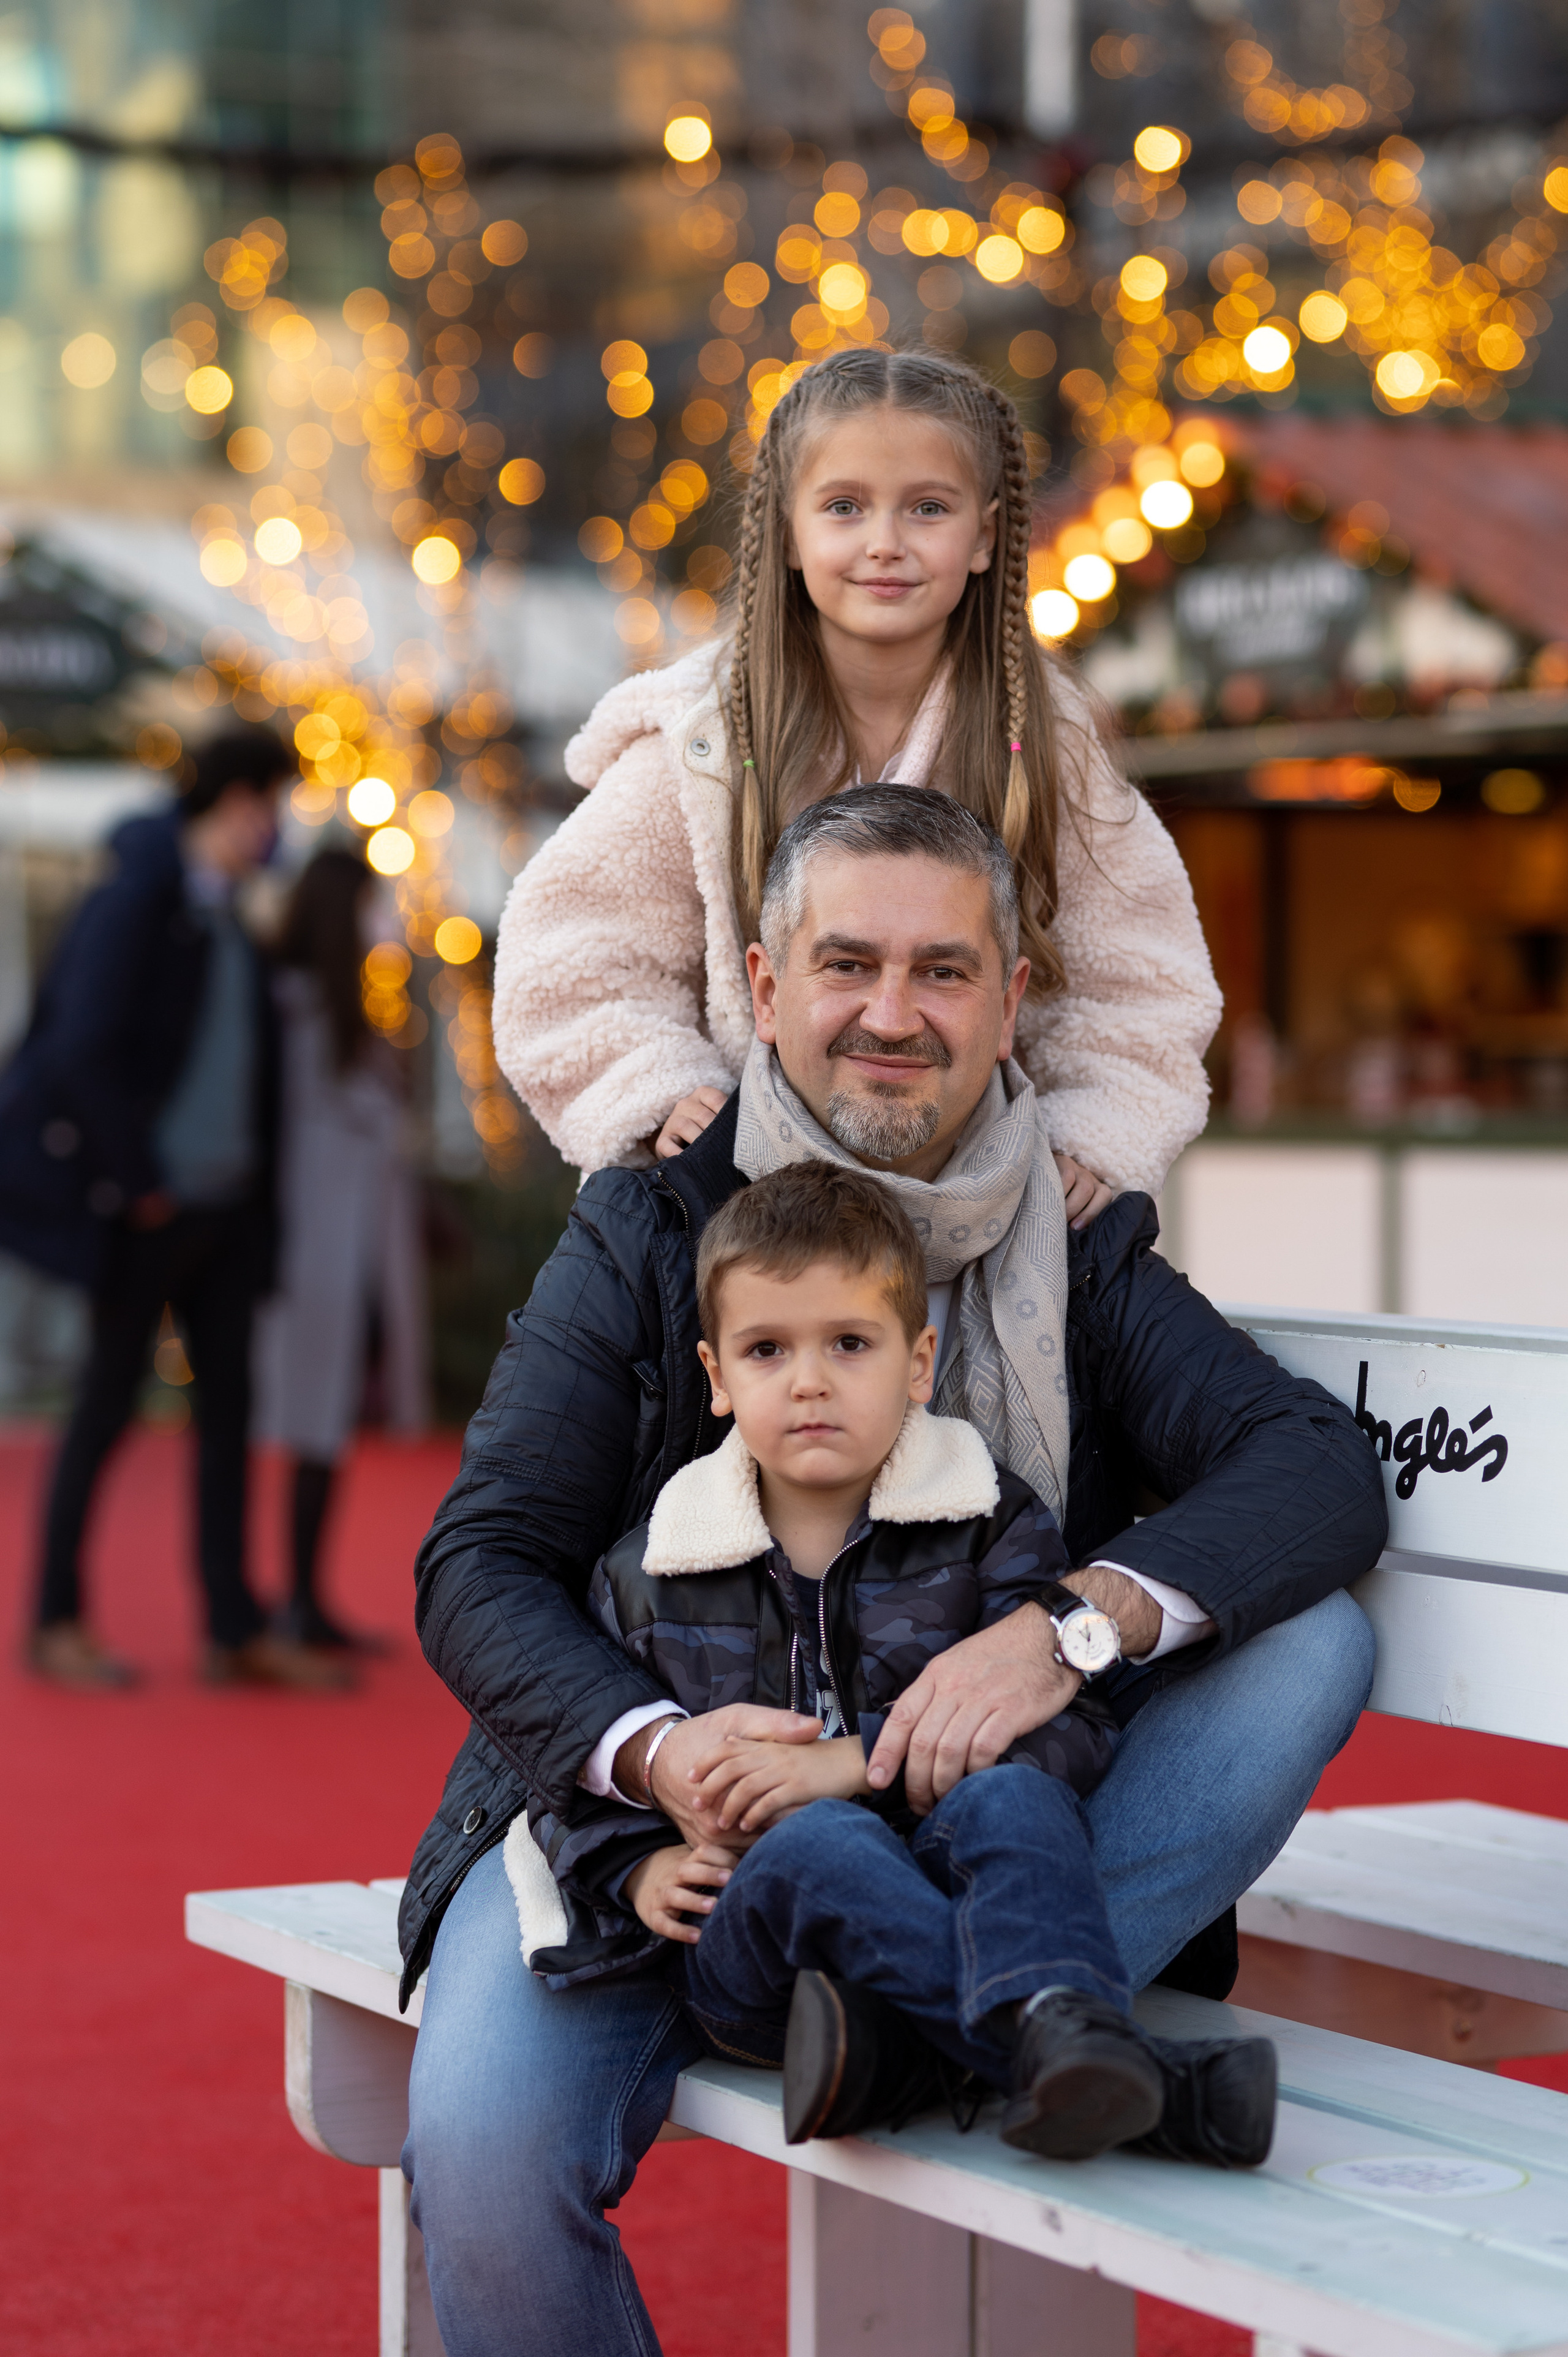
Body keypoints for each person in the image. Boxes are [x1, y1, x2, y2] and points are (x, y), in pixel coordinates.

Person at [399, 786, 1387, 2357]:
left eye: (942, 971)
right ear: (767, 986)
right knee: (480, 2155)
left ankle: (900, 2022)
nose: (891, 1013)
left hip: (978, 1822)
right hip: (659, 1855)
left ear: (1011, 1005)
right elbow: (480, 1563)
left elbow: (1316, 1470)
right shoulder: (651, 1230)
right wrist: (657, 1758)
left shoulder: (1072, 1244)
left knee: (1310, 1642)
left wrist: (1064, 1631)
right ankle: (1025, 2033)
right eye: (846, 963)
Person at [522, 1160, 1277, 2170]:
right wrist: (635, 1867)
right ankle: (1136, 2078)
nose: (809, 1380)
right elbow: (564, 1776)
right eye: (766, 1349)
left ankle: (992, 2055)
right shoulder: (654, 1566)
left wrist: (857, 1759)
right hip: (758, 1962)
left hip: (944, 1887)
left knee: (1016, 1804)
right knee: (824, 1843)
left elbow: (1075, 1731)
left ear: (918, 1364)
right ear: (715, 1376)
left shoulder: (986, 1523)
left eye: (849, 1343)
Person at [492, 346, 1221, 1221]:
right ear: (790, 534)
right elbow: (569, 953)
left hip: (984, 1214)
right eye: (844, 507)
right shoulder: (700, 744)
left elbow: (1142, 981)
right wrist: (655, 1092)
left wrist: (1092, 1137)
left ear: (986, 535)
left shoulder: (1046, 748)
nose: (886, 543)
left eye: (928, 508)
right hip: (734, 1226)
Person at [0, 726, 345, 1692]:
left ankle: (234, 1630)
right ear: (227, 802)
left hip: (227, 1214)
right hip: (147, 1209)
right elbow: (78, 1048)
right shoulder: (135, 898)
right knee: (104, 1408)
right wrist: (140, 1181)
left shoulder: (233, 913)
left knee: (229, 1421)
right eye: (264, 803)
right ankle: (56, 1618)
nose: (271, 825)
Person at [254, 846, 429, 1651]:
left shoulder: (328, 1014)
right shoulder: (295, 1012)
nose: (380, 925)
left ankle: (301, 1597)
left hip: (338, 1249)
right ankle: (290, 1602)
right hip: (304, 1254)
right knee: (310, 1423)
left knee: (322, 1426)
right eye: (370, 905)